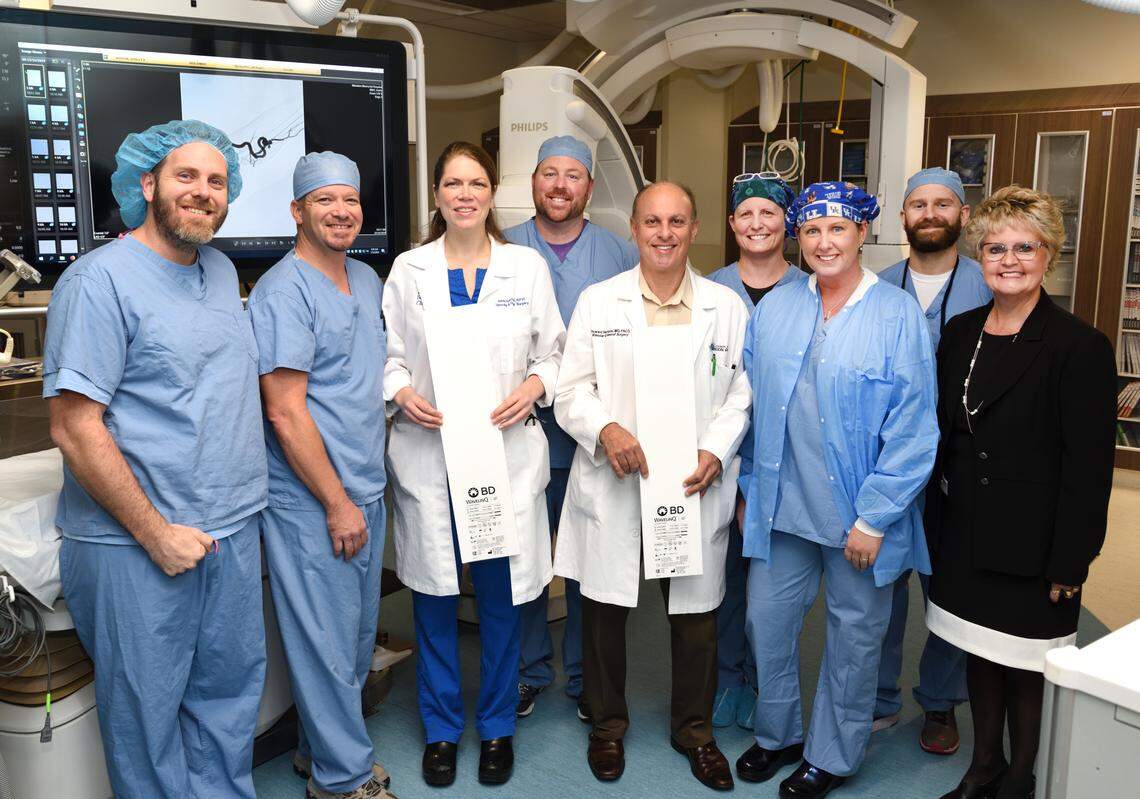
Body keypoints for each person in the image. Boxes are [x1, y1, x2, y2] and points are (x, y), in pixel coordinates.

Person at [44, 120, 267, 798]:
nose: (203, 192)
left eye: (217, 180)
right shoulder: (98, 282)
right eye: (185, 176)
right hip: (135, 543)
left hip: (229, 527)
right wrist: (155, 533)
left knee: (228, 704)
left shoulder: (221, 270)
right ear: (147, 184)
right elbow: (75, 426)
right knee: (147, 722)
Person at [736, 181, 939, 799]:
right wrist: (749, 487)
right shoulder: (777, 307)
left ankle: (832, 754)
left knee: (854, 639)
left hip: (858, 518)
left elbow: (914, 427)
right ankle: (779, 735)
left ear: (860, 235)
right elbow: (749, 404)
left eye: (838, 229)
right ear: (799, 238)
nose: (825, 242)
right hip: (782, 508)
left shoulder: (896, 313)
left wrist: (875, 518)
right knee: (764, 624)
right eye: (813, 231)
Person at [553, 181, 752, 791]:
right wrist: (604, 427)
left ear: (694, 229)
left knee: (695, 619)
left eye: (677, 221)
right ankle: (607, 727)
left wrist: (716, 450)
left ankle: (694, 731)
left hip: (689, 484)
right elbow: (569, 390)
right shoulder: (598, 301)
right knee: (606, 610)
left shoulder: (725, 306)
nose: (664, 233)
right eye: (652, 222)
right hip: (618, 480)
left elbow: (739, 393)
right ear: (634, 229)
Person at [382, 141, 564, 788]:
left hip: (502, 458)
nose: (465, 193)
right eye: (453, 182)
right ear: (437, 195)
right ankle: (439, 730)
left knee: (502, 599)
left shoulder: (526, 268)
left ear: (491, 194)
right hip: (429, 457)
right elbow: (391, 352)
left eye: (477, 182)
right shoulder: (410, 270)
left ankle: (495, 727)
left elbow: (554, 353)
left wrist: (535, 388)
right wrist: (401, 390)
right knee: (431, 597)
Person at [925, 185, 1116, 799]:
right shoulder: (959, 333)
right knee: (977, 654)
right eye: (996, 247)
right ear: (980, 255)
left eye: (1024, 247)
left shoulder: (1078, 346)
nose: (1008, 259)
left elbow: (1089, 467)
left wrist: (1072, 559)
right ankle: (983, 766)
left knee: (1027, 667)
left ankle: (1020, 775)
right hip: (964, 530)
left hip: (1035, 543)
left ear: (1049, 255)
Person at [248, 152, 394, 799]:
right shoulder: (284, 290)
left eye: (350, 200)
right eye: (325, 200)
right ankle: (342, 778)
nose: (341, 211)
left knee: (359, 636)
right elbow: (284, 409)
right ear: (297, 211)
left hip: (365, 487)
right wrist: (336, 502)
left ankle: (315, 748)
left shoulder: (363, 279)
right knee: (327, 642)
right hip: (314, 499)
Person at [503, 135, 637, 719]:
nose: (560, 185)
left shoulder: (620, 253)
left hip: (592, 442)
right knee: (524, 561)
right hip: (520, 434)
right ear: (533, 181)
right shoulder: (500, 249)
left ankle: (584, 675)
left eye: (573, 175)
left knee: (588, 563)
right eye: (549, 173)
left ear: (588, 185)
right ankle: (532, 670)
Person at [874, 167, 992, 753]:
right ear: (903, 217)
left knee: (948, 589)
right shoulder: (875, 286)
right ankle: (877, 697)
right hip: (888, 461)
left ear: (963, 216)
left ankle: (941, 703)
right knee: (881, 585)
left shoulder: (988, 284)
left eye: (943, 204)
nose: (929, 214)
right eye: (918, 204)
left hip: (959, 466)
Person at [706, 172, 805, 731]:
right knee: (722, 583)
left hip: (784, 467)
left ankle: (768, 686)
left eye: (769, 214)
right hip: (719, 460)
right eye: (747, 215)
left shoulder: (811, 291)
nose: (758, 224)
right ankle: (727, 680)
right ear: (731, 224)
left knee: (773, 593)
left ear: (786, 224)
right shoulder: (711, 291)